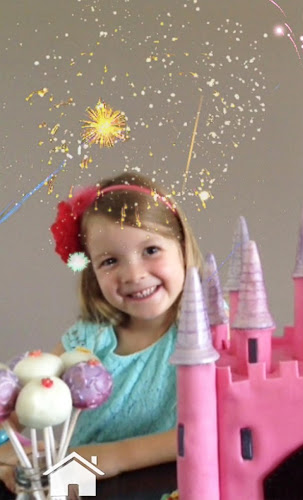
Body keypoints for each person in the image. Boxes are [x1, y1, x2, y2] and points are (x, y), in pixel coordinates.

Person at [0, 172, 203, 493]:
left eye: (151, 250)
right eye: (110, 261)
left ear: (182, 246)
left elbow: (204, 434)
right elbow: (22, 409)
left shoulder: (212, 336)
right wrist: (11, 456)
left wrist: (112, 457)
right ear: (92, 271)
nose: (134, 275)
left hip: (173, 487)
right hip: (85, 485)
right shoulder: (86, 341)